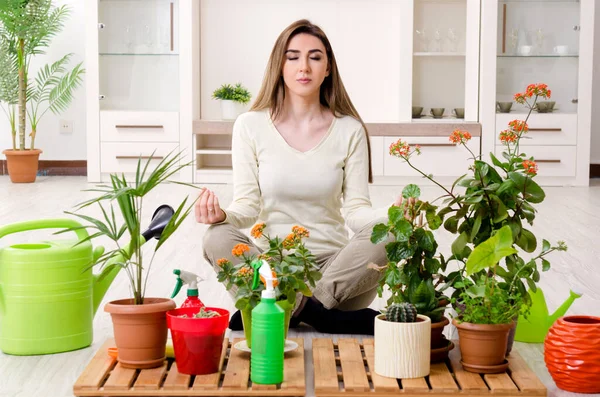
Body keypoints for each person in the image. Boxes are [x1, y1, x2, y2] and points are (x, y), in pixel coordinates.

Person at [196, 19, 402, 335]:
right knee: (215, 236)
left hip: (336, 276)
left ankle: (286, 308)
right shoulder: (249, 126)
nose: (303, 66)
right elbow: (247, 206)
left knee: (391, 233)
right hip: (272, 268)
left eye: (315, 57)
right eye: (293, 57)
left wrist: (392, 216)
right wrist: (223, 215)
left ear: (328, 68)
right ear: (279, 65)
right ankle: (320, 316)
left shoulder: (350, 130)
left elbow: (357, 211)